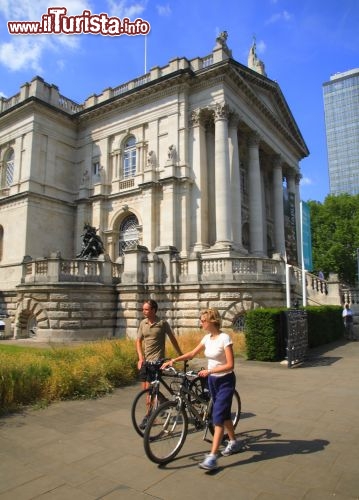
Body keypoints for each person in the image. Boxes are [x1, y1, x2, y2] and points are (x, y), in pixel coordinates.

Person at [162, 307, 241, 471]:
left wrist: (210, 370)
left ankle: (212, 457)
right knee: (223, 414)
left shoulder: (224, 338)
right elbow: (191, 354)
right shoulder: (207, 338)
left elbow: (230, 365)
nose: (201, 323)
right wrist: (174, 360)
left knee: (217, 417)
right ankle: (233, 442)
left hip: (225, 381)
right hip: (212, 381)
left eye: (203, 320)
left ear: (212, 321)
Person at [136, 299, 183, 428]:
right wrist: (140, 358)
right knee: (146, 389)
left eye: (146, 309)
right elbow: (138, 342)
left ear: (153, 310)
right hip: (146, 361)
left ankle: (149, 416)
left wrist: (181, 355)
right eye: (143, 309)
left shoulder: (162, 324)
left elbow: (173, 340)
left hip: (157, 362)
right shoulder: (143, 323)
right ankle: (163, 402)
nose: (143, 311)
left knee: (150, 390)